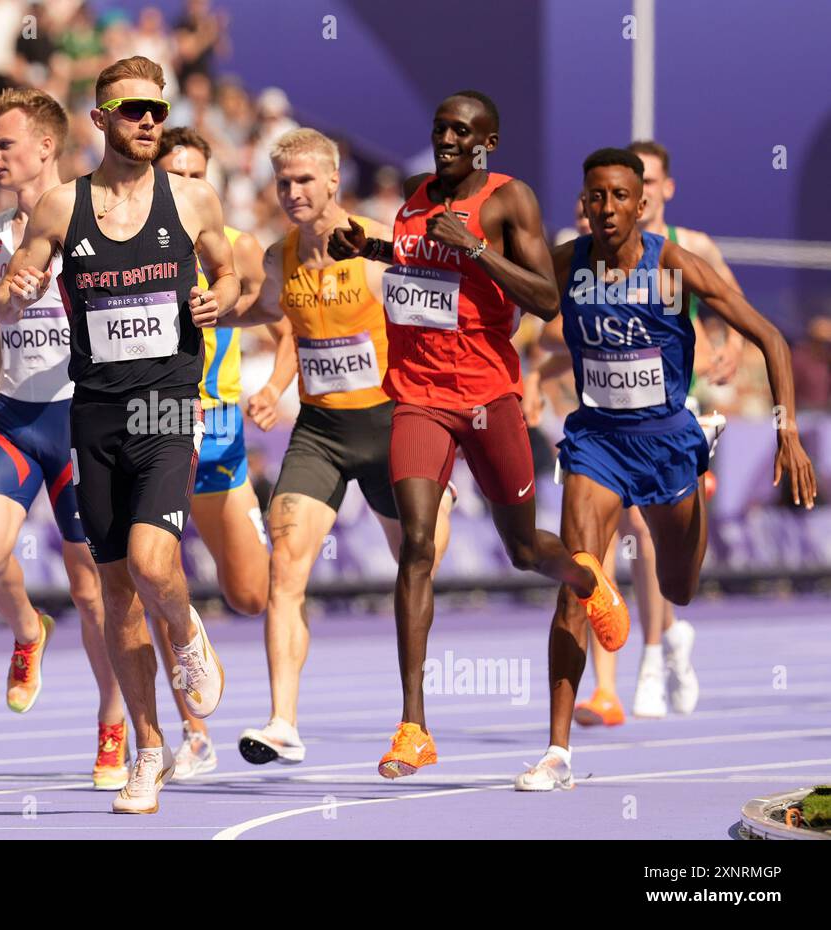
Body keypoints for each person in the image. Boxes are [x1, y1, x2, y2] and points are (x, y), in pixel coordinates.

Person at [328, 91, 631, 778]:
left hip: (488, 397)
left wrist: (478, 250)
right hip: (418, 396)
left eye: (462, 131)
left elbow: (545, 299)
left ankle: (587, 578)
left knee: (525, 549)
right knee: (415, 544)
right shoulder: (412, 194)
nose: (447, 139)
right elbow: (417, 268)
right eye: (440, 128)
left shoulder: (507, 199)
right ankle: (413, 726)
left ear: (486, 142)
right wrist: (369, 245)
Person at [515, 148, 817, 790]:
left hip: (669, 442)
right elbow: (491, 284)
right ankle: (556, 753)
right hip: (596, 438)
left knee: (677, 589)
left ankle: (660, 609)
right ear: (585, 202)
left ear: (641, 202)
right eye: (595, 196)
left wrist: (787, 433)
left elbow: (770, 336)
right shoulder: (568, 263)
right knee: (577, 582)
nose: (606, 208)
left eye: (620, 196)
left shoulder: (673, 264)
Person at [0, 56, 237, 814]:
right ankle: (149, 749)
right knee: (116, 591)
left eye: (158, 112)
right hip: (92, 412)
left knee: (151, 558)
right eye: (134, 112)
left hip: (165, 404)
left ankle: (187, 624)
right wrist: (14, 289)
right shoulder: (64, 207)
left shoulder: (193, 199)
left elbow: (233, 274)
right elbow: (12, 291)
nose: (150, 124)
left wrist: (218, 299)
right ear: (101, 121)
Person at [231, 128, 455, 766]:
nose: (293, 192)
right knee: (286, 568)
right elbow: (264, 312)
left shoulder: (376, 247)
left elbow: (438, 316)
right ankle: (282, 721)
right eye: (283, 183)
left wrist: (439, 422)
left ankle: (414, 722)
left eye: (305, 180)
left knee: (421, 559)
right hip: (322, 433)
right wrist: (211, 310)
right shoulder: (282, 256)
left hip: (392, 427)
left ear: (333, 181)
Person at [0, 87, 128, 791]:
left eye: (5, 143)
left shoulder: (96, 214)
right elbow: (1, 328)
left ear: (46, 147)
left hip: (81, 418)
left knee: (92, 590)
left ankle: (112, 722)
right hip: (19, 414)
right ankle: (28, 630)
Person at [149, 124, 292, 779]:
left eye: (194, 174)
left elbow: (287, 323)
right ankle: (192, 729)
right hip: (156, 417)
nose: (183, 185)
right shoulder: (135, 248)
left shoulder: (238, 246)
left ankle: (194, 627)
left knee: (251, 596)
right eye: (171, 174)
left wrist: (275, 385)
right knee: (151, 567)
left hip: (223, 426)